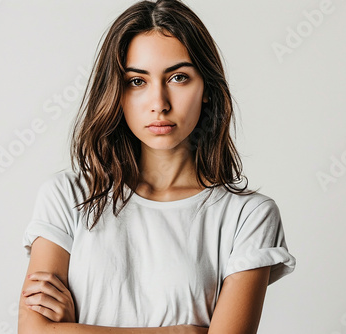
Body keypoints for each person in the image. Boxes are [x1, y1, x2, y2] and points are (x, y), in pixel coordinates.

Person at [18, 0, 296, 333]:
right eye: (137, 81)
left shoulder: (248, 216)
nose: (159, 104)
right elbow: (33, 332)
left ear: (206, 88)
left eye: (178, 77)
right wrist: (178, 332)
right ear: (116, 92)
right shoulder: (68, 196)